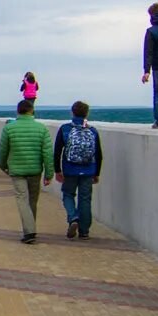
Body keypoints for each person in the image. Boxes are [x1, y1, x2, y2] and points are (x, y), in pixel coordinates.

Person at [0, 99, 53, 243]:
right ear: (32, 111)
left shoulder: (9, 128)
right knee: (32, 201)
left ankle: (29, 231)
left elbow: (2, 150)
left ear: (18, 111)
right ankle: (30, 230)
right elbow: (47, 153)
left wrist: (3, 166)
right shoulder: (42, 128)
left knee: (22, 199)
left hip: (17, 170)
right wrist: (49, 174)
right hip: (35, 170)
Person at [54, 101, 103, 240]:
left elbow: (57, 151)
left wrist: (57, 170)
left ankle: (73, 217)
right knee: (85, 199)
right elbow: (99, 154)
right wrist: (97, 173)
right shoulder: (92, 131)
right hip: (88, 171)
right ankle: (84, 231)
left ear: (72, 112)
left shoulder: (65, 129)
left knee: (68, 194)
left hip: (70, 170)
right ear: (87, 113)